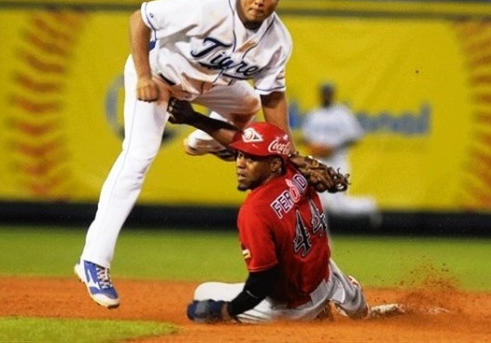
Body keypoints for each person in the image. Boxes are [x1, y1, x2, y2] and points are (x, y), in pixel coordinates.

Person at [74, 0, 296, 309]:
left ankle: (204, 139)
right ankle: (93, 260)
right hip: (160, 78)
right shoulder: (204, 6)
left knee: (248, 104)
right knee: (138, 158)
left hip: (205, 87)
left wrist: (288, 151)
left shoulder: (278, 40)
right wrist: (144, 76)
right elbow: (139, 18)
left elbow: (272, 95)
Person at [165, 98, 402, 323]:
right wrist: (194, 118)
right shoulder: (295, 169)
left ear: (274, 163)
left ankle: (315, 317)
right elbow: (236, 138)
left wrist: (225, 311)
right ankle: (353, 303)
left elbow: (261, 283)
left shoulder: (255, 211)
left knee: (202, 293)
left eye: (251, 158)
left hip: (293, 308)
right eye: (240, 155)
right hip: (327, 279)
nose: (239, 163)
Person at [301, 82, 379, 221]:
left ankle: (369, 205)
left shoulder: (342, 113)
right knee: (318, 201)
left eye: (328, 92)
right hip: (319, 162)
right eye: (324, 92)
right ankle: (317, 234)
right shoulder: (314, 114)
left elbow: (356, 136)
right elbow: (306, 138)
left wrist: (334, 148)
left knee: (339, 206)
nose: (326, 95)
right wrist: (314, 147)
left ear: (332, 94)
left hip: (338, 161)